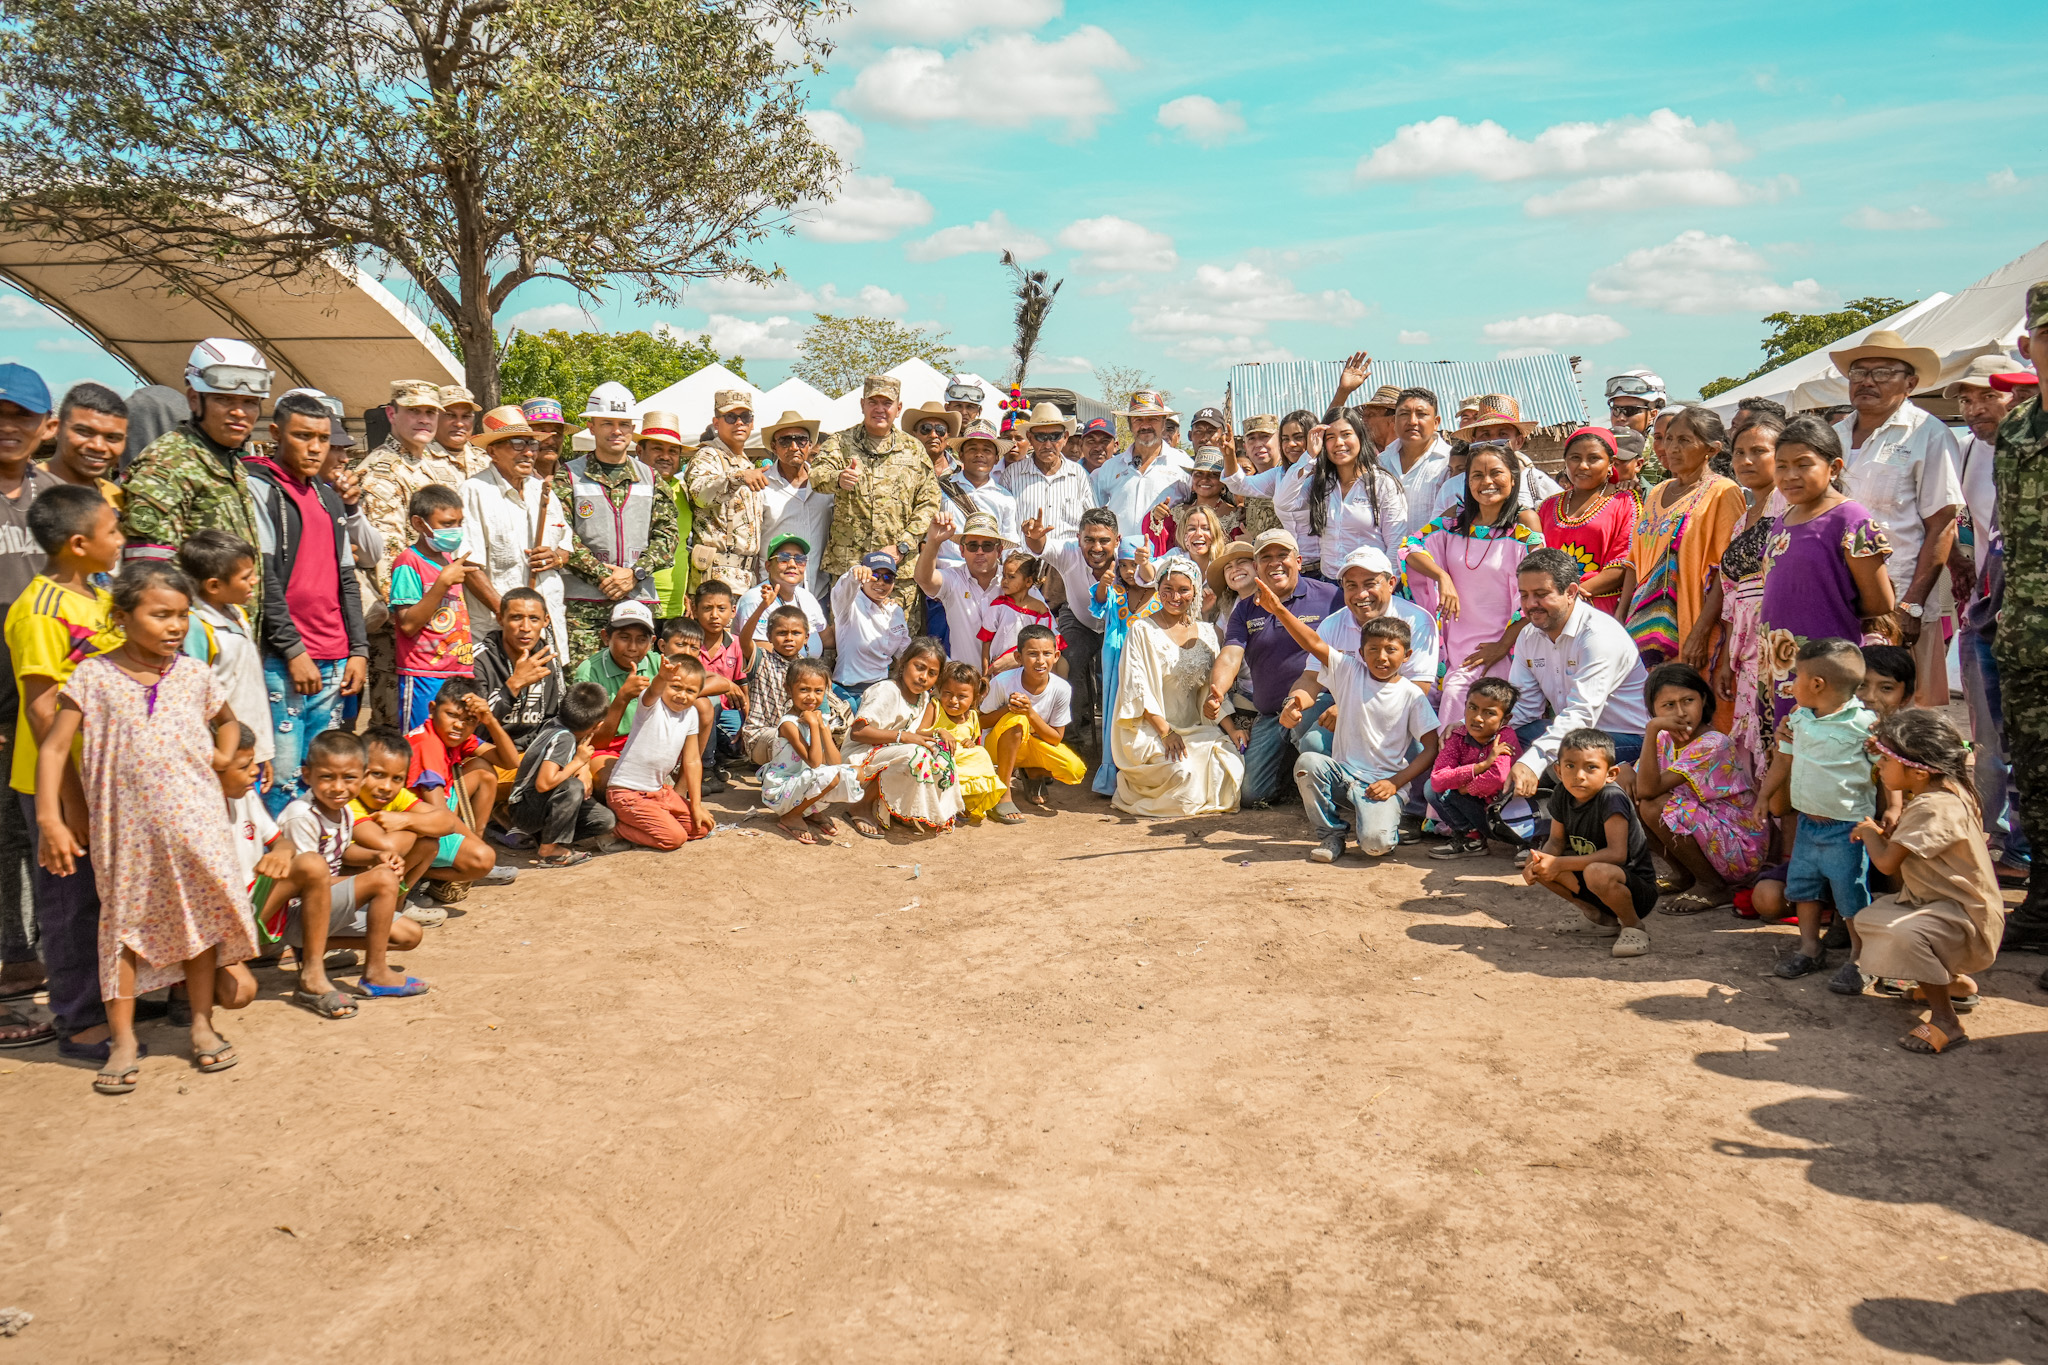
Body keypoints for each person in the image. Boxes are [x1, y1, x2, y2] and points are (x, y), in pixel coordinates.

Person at [34, 561, 259, 1092]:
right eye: (161, 615)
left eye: (182, 615)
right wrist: (51, 818)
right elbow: (55, 747)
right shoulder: (93, 676)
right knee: (123, 931)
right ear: (123, 617)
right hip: (124, 835)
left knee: (199, 924)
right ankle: (125, 1039)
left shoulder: (194, 675)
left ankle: (202, 1025)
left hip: (197, 827)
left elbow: (228, 724)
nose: (175, 626)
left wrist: (222, 762)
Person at [7, 484, 124, 1058]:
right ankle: (77, 1019)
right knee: (70, 900)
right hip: (59, 785)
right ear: (80, 544)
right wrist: (67, 803)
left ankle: (115, 998)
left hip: (105, 777)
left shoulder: (99, 596)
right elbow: (40, 708)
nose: (121, 540)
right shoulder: (39, 610)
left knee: (106, 896)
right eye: (113, 532)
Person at [1850, 709, 2006, 1054]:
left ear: (1918, 772)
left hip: (1965, 924)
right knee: (1875, 919)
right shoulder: (1951, 788)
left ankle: (1946, 1020)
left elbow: (1887, 864)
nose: (1879, 768)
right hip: (1955, 912)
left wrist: (1869, 832)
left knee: (1900, 933)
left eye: (1886, 760)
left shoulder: (1932, 807)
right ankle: (1953, 983)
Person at [244, 390, 372, 810]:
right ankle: (284, 873)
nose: (315, 448)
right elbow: (264, 580)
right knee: (282, 778)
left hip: (336, 659)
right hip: (284, 661)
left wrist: (358, 649)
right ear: (276, 434)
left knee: (324, 779)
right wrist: (292, 650)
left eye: (322, 438)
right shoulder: (259, 488)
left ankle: (322, 869)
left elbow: (346, 578)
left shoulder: (328, 496)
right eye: (303, 436)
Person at [1257, 579, 1438, 862]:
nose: (1381, 657)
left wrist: (1395, 782)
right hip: (1343, 776)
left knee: (1375, 845)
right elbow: (1313, 641)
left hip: (1381, 786)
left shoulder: (1412, 695)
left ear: (1407, 655)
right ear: (1361, 654)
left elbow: (1430, 747)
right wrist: (1279, 609)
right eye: (1373, 649)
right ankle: (1331, 834)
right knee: (1308, 762)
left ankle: (1384, 819)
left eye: (1391, 649)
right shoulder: (1350, 672)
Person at [1828, 329, 1963, 708]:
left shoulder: (1927, 434)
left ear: (1911, 383)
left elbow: (1942, 524)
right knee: (1839, 711)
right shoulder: (1830, 436)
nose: (1867, 381)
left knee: (1896, 712)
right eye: (1859, 372)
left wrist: (1912, 605)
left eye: (1883, 372)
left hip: (1897, 602)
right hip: (1836, 597)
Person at [1943, 356, 2033, 885]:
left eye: (1987, 397)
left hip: (2030, 617)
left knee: (2025, 739)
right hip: (1985, 614)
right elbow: (1967, 525)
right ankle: (1997, 841)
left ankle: (2023, 846)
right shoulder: (1973, 450)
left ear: (2016, 396)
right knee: (1987, 742)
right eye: (1967, 400)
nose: (1976, 409)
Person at [1755, 416, 1895, 741]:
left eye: (1803, 464)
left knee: (1826, 754)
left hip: (1827, 664)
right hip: (1780, 664)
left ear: (1833, 468)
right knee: (1786, 755)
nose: (1790, 475)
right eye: (1781, 465)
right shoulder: (1782, 520)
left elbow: (1880, 601)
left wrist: (1827, 610)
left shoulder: (1850, 518)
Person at [273, 729, 424, 1000]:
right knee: (383, 880)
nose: (339, 787)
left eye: (349, 778)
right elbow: (306, 880)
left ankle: (310, 949)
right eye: (327, 777)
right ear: (307, 776)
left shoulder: (342, 808)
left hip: (324, 907)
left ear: (362, 775)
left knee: (409, 935)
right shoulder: (301, 816)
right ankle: (375, 973)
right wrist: (372, 878)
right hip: (298, 913)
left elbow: (340, 851)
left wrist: (374, 857)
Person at [1401, 445, 1543, 731]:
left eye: (1496, 473)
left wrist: (1502, 647)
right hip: (1456, 646)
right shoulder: (1453, 526)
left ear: (1513, 478)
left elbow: (1536, 595)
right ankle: (1448, 773)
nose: (1486, 482)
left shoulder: (1524, 536)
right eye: (1476, 475)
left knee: (1474, 707)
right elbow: (1410, 547)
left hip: (1503, 646)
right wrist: (1442, 576)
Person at [215, 723, 353, 1019]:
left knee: (312, 864)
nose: (255, 771)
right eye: (244, 765)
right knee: (239, 994)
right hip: (217, 920)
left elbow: (282, 842)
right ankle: (191, 981)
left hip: (254, 905)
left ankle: (313, 973)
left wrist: (280, 853)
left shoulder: (246, 796)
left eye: (253, 761)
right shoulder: (198, 810)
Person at [1759, 638, 1877, 982]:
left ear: (1816, 684)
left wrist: (1893, 808)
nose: (1789, 684)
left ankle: (1860, 958)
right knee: (1803, 889)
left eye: (1795, 677)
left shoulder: (1864, 725)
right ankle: (1809, 948)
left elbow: (1883, 767)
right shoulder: (1798, 719)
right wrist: (1764, 796)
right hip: (1808, 827)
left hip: (1848, 830)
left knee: (1850, 894)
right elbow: (1783, 760)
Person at [350, 379, 465, 725]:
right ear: (391, 414)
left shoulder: (433, 465)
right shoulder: (380, 472)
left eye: (430, 412)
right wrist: (417, 614)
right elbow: (386, 562)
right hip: (402, 626)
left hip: (439, 623)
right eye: (414, 411)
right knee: (394, 724)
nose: (424, 419)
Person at [120, 339, 267, 597]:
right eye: (225, 399)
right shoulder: (166, 466)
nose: (239, 412)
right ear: (194, 399)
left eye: (250, 402)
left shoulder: (230, 464)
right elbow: (149, 581)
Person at [1204, 529, 1340, 808]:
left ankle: (1330, 792)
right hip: (1269, 714)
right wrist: (1217, 691)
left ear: (1299, 561)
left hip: (1315, 703)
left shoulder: (1330, 597)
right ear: (1256, 567)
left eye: (1283, 555)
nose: (1275, 562)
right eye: (1266, 557)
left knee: (1312, 741)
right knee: (1252, 794)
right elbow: (1231, 654)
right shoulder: (1244, 609)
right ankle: (1291, 775)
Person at [1502, 549, 1652, 799]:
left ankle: (1548, 817)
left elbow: (1581, 714)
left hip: (1629, 740)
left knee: (1558, 758)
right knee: (1498, 742)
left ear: (1571, 592)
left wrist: (1531, 762)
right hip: (1574, 735)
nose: (1530, 605)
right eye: (1524, 595)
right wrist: (1473, 733)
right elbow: (1523, 708)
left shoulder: (1598, 635)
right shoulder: (1529, 635)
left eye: (1541, 594)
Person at [0, 364, 56, 1027]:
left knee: (32, 830)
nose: (9, 427)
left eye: (23, 416)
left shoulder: (54, 496)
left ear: (45, 427)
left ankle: (26, 957)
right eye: (0, 413)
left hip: (40, 694)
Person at [1617, 405, 1745, 696]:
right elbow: (1634, 563)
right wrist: (1622, 618)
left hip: (1695, 625)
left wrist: (1700, 633)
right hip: (1646, 625)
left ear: (1711, 449)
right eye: (1668, 439)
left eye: (1685, 440)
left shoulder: (1723, 492)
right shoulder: (1658, 492)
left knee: (1692, 711)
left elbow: (1728, 572)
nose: (1672, 448)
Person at [553, 381, 678, 668]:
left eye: (624, 423)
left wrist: (634, 574)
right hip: (583, 608)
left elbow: (668, 537)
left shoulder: (651, 478)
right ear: (592, 427)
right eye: (607, 422)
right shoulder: (569, 477)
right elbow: (561, 536)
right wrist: (603, 576)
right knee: (583, 691)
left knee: (636, 687)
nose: (616, 430)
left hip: (638, 604)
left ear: (633, 429)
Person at [1995, 281, 2048, 950]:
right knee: (2033, 772)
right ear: (2027, 343)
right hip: (2027, 630)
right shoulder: (2017, 425)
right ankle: (2042, 901)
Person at [1108, 553, 1243, 817]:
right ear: (1158, 589)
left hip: (1194, 729)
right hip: (1150, 730)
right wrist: (1166, 732)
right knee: (1184, 774)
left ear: (1194, 592)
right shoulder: (1142, 630)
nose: (1175, 597)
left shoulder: (1206, 633)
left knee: (1230, 763)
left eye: (1183, 590)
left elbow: (1212, 691)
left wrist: (1232, 729)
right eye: (1167, 589)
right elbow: (1138, 688)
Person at [1632, 662, 1769, 915]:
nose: (1681, 712)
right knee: (1627, 789)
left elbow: (1649, 791)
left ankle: (1712, 885)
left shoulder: (1712, 743)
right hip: (1709, 834)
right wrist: (1653, 734)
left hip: (1739, 846)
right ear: (1653, 709)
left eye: (1688, 700)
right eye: (1668, 705)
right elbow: (1638, 785)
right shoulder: (1664, 738)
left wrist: (1651, 728)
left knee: (1653, 805)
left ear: (1703, 700)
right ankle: (1685, 875)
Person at [1290, 546, 1440, 756]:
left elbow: (1418, 688)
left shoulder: (1417, 621)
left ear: (1390, 584)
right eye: (1351, 585)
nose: (1361, 594)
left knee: (1316, 743)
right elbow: (1312, 677)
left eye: (1370, 584)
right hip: (1347, 702)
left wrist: (1352, 710)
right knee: (1306, 720)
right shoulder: (1333, 623)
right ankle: (1339, 777)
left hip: (1404, 712)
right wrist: (1294, 701)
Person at [811, 376, 941, 616]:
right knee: (846, 641)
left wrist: (904, 545)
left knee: (899, 644)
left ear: (898, 408)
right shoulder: (840, 443)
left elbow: (929, 502)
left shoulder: (913, 449)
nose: (879, 409)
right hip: (851, 567)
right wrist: (837, 478)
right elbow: (817, 476)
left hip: (897, 573)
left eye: (887, 403)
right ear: (862, 405)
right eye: (873, 402)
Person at [1524, 729, 1658, 958]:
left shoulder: (1611, 797)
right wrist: (1539, 863)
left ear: (1611, 773)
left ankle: (1633, 926)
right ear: (1557, 770)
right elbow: (1555, 841)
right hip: (1593, 882)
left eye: (1591, 767)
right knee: (1538, 861)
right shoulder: (1562, 794)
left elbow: (1617, 855)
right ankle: (1597, 917)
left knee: (1596, 872)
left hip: (1634, 891)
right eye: (1570, 766)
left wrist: (1559, 863)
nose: (1579, 775)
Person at [460, 406, 572, 658]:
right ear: (493, 451)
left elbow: (567, 547)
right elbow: (468, 566)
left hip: (547, 628)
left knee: (547, 696)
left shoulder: (543, 491)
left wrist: (555, 557)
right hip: (496, 634)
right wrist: (506, 614)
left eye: (532, 443)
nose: (529, 452)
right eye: (517, 444)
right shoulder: (474, 491)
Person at [1708, 412, 1783, 783]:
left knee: (1778, 743)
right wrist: (1725, 660)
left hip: (1780, 646)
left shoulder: (1790, 508)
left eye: (1758, 451)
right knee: (1751, 745)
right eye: (1739, 453)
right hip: (1744, 646)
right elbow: (1729, 594)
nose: (1746, 461)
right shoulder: (1746, 515)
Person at [350, 726, 496, 914]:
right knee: (422, 836)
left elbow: (447, 822)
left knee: (428, 843)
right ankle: (370, 912)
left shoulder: (398, 796)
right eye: (377, 774)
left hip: (382, 870)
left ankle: (395, 905)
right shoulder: (349, 802)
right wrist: (416, 828)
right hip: (350, 883)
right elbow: (386, 845)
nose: (386, 786)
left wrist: (406, 820)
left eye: (397, 778)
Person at [177, 530, 273, 798]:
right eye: (245, 577)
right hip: (224, 752)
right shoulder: (198, 626)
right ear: (214, 585)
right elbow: (195, 695)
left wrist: (262, 752)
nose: (254, 581)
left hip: (249, 747)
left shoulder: (238, 614)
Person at [390, 484, 491, 730]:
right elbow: (408, 624)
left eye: (459, 522)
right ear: (418, 523)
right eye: (446, 524)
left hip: (458, 673)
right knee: (421, 739)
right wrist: (442, 583)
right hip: (424, 674)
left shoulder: (448, 560)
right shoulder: (409, 563)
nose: (455, 530)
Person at [843, 636, 959, 836]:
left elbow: (917, 733)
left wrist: (939, 732)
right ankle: (860, 805)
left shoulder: (923, 697)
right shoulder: (887, 690)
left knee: (941, 751)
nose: (923, 677)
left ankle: (902, 808)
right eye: (919, 667)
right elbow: (858, 732)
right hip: (861, 757)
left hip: (892, 752)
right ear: (904, 663)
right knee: (916, 754)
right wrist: (902, 737)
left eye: (932, 673)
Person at [1022, 507, 1117, 739]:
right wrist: (1034, 538)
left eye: (1104, 541)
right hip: (1078, 618)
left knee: (1119, 670)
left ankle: (1116, 737)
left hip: (1116, 625)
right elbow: (1041, 546)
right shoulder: (1068, 552)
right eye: (1089, 540)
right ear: (1078, 539)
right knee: (1066, 664)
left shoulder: (1128, 558)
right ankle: (1068, 736)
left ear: (1117, 540)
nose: (1096, 548)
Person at [503, 680, 618, 867]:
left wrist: (583, 765)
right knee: (573, 787)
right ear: (598, 725)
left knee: (604, 820)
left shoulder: (556, 723)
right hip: (525, 808)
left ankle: (546, 838)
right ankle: (549, 850)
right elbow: (544, 783)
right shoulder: (563, 738)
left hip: (538, 804)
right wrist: (578, 762)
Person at [602, 654, 711, 850]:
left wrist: (696, 805)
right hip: (627, 793)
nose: (682, 695)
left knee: (700, 828)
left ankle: (649, 820)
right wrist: (662, 678)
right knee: (674, 838)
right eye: (675, 687)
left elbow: (693, 760)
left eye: (690, 691)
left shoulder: (691, 713)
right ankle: (613, 830)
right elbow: (653, 691)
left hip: (657, 792)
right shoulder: (652, 705)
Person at [1277, 410, 1406, 574]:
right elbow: (1283, 502)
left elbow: (1396, 542)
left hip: (1368, 584)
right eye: (1330, 437)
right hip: (1328, 585)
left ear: (1360, 437)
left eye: (1346, 434)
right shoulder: (1321, 483)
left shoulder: (1381, 484)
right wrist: (1309, 456)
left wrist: (1386, 585)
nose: (1338, 442)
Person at [979, 625, 1086, 821]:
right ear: (1018, 658)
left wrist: (1030, 713)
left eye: (1047, 654)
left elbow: (1056, 738)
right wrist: (1008, 710)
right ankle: (1003, 793)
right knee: (1017, 721)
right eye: (1032, 654)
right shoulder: (1003, 682)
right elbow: (980, 722)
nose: (1040, 661)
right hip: (997, 747)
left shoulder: (1061, 688)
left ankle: (1032, 771)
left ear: (1056, 656)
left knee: (1075, 770)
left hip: (1032, 744)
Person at [759, 657, 864, 842]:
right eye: (804, 690)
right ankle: (791, 815)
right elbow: (815, 763)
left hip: (803, 782)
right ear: (788, 689)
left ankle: (810, 811)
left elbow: (835, 762)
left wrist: (822, 727)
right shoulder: (789, 725)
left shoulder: (817, 719)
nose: (811, 697)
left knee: (857, 773)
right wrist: (815, 726)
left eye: (818, 691)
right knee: (831, 776)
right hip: (781, 788)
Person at [1085, 536, 1159, 796]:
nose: (1131, 572)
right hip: (1116, 662)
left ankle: (1144, 773)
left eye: (1136, 565)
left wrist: (1145, 564)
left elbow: (1150, 575)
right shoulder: (1116, 593)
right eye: (1125, 565)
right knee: (1116, 715)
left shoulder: (1161, 594)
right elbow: (1099, 603)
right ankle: (1113, 776)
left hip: (1147, 665)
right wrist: (1104, 585)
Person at [1536, 427, 1636, 617]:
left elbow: (1625, 563)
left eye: (1593, 458)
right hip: (1549, 608)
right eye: (1575, 458)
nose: (1582, 465)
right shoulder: (1548, 506)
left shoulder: (1625, 502)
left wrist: (1568, 597)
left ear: (1611, 463)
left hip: (1599, 609)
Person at [1425, 676, 1523, 860]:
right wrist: (1481, 766)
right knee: (1431, 788)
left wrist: (1463, 789)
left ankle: (1526, 842)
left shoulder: (1505, 737)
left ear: (1506, 719)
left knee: (1452, 791)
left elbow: (1498, 778)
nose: (1477, 718)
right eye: (1472, 708)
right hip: (1480, 812)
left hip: (1505, 812)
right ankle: (1472, 840)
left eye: (1489, 713)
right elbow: (1437, 779)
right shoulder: (1457, 736)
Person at [681, 388, 765, 595]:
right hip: (715, 576)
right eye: (731, 417)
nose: (739, 423)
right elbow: (701, 495)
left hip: (746, 578)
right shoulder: (708, 455)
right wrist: (738, 477)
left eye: (745, 417)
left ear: (752, 423)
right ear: (716, 423)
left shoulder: (745, 461)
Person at [573, 600, 660, 789]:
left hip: (645, 743)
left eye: (641, 639)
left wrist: (729, 683)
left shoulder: (658, 663)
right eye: (624, 637)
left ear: (651, 642)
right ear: (606, 637)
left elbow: (701, 678)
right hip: (605, 748)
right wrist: (622, 697)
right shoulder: (589, 672)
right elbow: (595, 741)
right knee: (614, 783)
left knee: (702, 707)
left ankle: (680, 789)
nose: (633, 647)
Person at [739, 599, 834, 766]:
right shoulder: (762, 660)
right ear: (769, 636)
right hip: (763, 735)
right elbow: (744, 640)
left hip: (802, 732)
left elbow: (823, 713)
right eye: (782, 633)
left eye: (796, 633)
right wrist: (762, 606)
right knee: (788, 737)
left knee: (824, 745)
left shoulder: (811, 670)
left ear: (806, 638)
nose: (789, 638)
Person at [471, 586, 564, 755]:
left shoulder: (547, 657)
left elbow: (552, 718)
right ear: (500, 619)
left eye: (534, 619)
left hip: (531, 752)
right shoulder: (478, 659)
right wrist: (514, 685)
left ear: (546, 621)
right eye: (516, 618)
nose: (525, 627)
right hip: (489, 753)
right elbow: (472, 727)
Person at [1094, 391, 1193, 546]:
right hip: (1120, 561)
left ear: (1163, 422)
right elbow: (1094, 514)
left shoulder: (1183, 464)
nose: (1145, 425)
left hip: (1164, 560)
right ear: (1129, 424)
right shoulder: (1109, 468)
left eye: (1152, 419)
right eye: (1138, 419)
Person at [914, 509, 1007, 668]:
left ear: (999, 551)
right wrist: (933, 542)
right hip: (963, 684)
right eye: (972, 546)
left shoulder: (1014, 580)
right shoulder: (954, 579)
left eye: (987, 546)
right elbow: (923, 579)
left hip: (1008, 683)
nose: (979, 552)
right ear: (962, 551)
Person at [627, 410, 696, 621]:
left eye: (673, 451)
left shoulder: (686, 491)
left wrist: (689, 592)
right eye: (658, 448)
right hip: (634, 599)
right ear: (639, 450)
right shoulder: (628, 488)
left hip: (676, 605)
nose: (666, 456)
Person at [757, 410, 831, 599]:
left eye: (800, 440)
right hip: (772, 593)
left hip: (818, 593)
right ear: (774, 446)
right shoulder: (761, 486)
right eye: (785, 440)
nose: (793, 446)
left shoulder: (826, 486)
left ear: (810, 445)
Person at [1445, 395, 1562, 514]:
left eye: (1503, 434)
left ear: (1519, 441)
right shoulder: (1453, 487)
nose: (1493, 443)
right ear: (1474, 441)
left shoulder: (1537, 483)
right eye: (1485, 435)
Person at [999, 402, 1092, 540]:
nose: (1048, 444)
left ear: (1065, 437)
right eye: (1041, 437)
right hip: (1024, 559)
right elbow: (1002, 523)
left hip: (1067, 559)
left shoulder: (1079, 474)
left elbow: (1091, 521)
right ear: (1030, 438)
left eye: (1055, 436)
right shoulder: (1012, 474)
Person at [829, 552, 911, 707]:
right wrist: (854, 573)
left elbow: (906, 653)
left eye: (888, 578)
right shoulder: (850, 605)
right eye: (874, 576)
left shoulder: (895, 611)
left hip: (881, 690)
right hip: (848, 691)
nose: (880, 582)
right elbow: (842, 591)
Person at [931, 661, 1004, 822]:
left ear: (974, 698)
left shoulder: (972, 716)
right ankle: (949, 803)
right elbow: (918, 732)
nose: (953, 700)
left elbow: (972, 740)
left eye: (962, 696)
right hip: (938, 754)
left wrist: (971, 744)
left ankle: (964, 802)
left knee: (980, 753)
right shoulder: (935, 707)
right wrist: (940, 731)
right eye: (947, 693)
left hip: (961, 757)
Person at [736, 534, 826, 658]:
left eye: (800, 559)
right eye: (784, 558)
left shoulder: (807, 597)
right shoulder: (755, 600)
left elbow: (827, 638)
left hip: (808, 672)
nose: (792, 564)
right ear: (768, 566)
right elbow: (762, 655)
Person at [41, 381, 127, 509]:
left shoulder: (116, 499)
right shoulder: (21, 490)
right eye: (84, 432)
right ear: (56, 428)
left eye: (112, 438)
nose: (98, 446)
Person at [980, 550, 1057, 676]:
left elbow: (1047, 642)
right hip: (998, 671)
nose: (1005, 581)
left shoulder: (1040, 610)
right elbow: (986, 641)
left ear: (1028, 581)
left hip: (1028, 673)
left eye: (1011, 577)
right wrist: (985, 673)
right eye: (1004, 576)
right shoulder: (998, 606)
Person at [1603, 369, 1667, 471]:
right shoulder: (1596, 452)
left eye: (1630, 410)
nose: (1621, 418)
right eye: (1616, 410)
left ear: (1652, 415)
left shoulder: (1665, 457)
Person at [431, 384, 481, 477]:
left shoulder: (486, 461)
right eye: (450, 415)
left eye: (466, 416)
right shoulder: (418, 459)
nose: (459, 423)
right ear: (434, 417)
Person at [1856, 644, 1914, 720]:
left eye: (1886, 688)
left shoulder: (1911, 731)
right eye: (1861, 685)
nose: (1870, 697)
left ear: (1905, 699)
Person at [520, 398, 569, 478]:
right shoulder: (513, 480)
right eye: (542, 433)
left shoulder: (573, 478)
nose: (550, 441)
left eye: (557, 434)